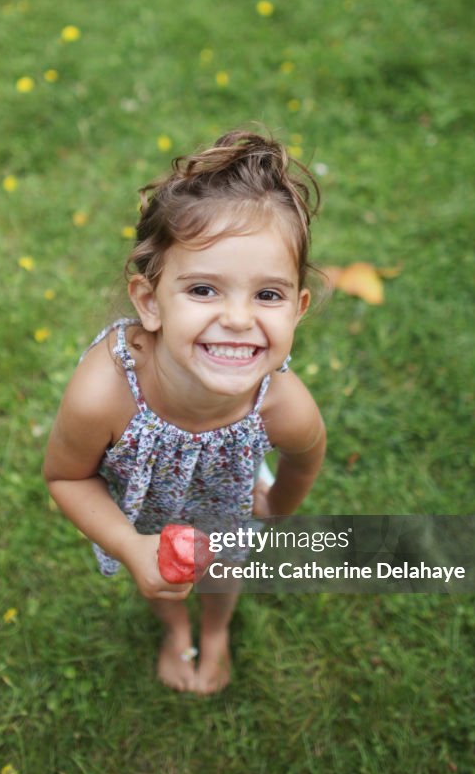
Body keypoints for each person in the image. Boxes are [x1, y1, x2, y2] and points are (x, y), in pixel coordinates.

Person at [43, 129, 326, 694]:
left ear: (296, 310)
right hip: (144, 513)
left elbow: (306, 456)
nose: (240, 319)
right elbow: (65, 475)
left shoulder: (281, 404)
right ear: (150, 302)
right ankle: (176, 630)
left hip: (228, 508)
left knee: (223, 574)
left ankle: (216, 629)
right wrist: (131, 547)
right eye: (204, 290)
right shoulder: (106, 391)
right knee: (160, 580)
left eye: (267, 295)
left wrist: (273, 508)